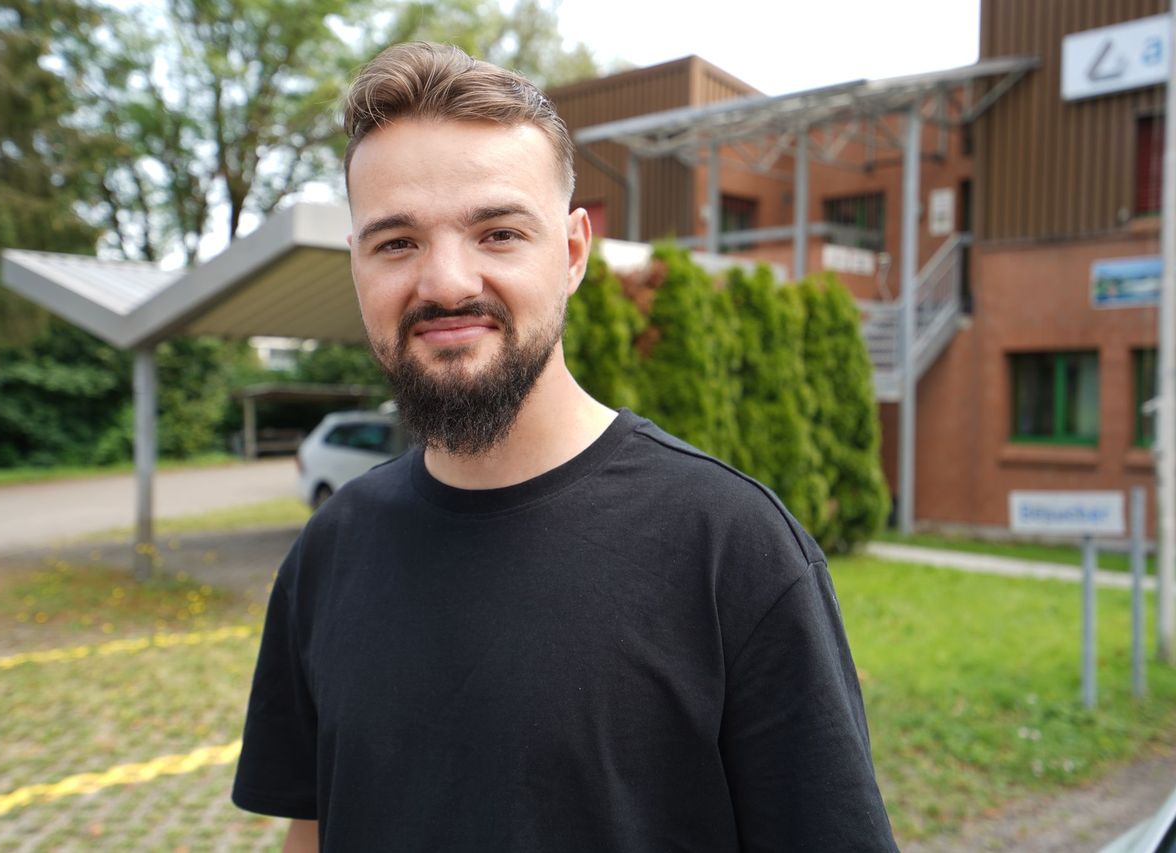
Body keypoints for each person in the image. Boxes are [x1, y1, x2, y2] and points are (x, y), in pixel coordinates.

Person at [232, 41, 899, 852]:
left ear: (574, 253)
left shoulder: (731, 549)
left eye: (498, 233)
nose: (446, 282)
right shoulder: (329, 551)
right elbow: (312, 829)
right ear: (358, 266)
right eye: (397, 242)